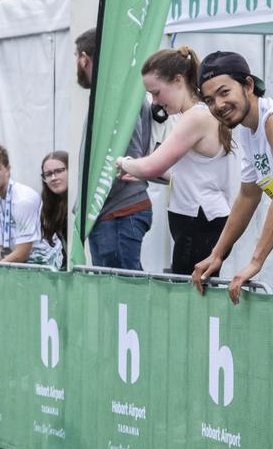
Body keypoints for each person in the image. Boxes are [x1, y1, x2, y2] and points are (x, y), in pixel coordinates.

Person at [115, 47, 232, 275]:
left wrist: (123, 161)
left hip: (197, 221)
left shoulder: (195, 118)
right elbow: (195, 174)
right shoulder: (200, 114)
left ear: (178, 80)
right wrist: (142, 172)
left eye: (157, 92)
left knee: (190, 297)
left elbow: (151, 166)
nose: (155, 102)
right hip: (202, 218)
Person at [191, 51, 273, 303]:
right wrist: (217, 253)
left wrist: (256, 260)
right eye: (209, 100)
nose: (218, 105)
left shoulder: (270, 121)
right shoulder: (249, 130)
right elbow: (249, 195)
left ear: (248, 85)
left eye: (224, 92)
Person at [75, 28, 153, 270]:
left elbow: (129, 155)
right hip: (115, 211)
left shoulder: (117, 96)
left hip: (117, 211)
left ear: (83, 58)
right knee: (118, 296)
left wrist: (92, 200)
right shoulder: (119, 93)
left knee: (120, 297)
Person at [0, 143, 41, 263]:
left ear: (8, 169)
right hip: (27, 265)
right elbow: (5, 250)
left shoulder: (23, 199)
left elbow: (22, 253)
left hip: (45, 264)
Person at [36, 151, 69, 269]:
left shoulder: (82, 201)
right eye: (48, 174)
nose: (54, 178)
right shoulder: (49, 205)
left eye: (59, 171)